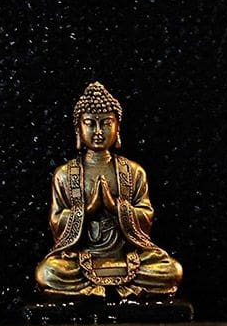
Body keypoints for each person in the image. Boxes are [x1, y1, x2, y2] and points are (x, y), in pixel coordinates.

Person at [35, 82, 182, 298]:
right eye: (90, 123)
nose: (98, 131)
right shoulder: (64, 174)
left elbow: (146, 214)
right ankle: (93, 288)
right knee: (47, 272)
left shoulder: (133, 171)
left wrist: (116, 208)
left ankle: (103, 288)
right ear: (78, 128)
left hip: (125, 256)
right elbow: (56, 220)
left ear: (117, 128)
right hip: (81, 258)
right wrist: (88, 211)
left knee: (172, 270)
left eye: (106, 123)